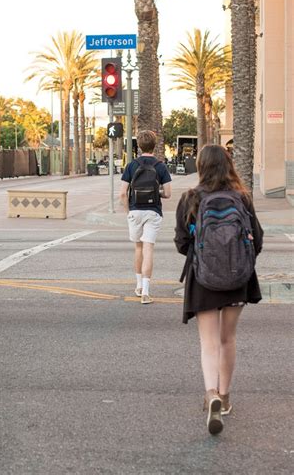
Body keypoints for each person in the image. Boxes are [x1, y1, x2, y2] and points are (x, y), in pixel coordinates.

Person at [174, 144, 263, 435]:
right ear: (228, 165)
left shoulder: (190, 198)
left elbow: (181, 243)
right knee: (228, 339)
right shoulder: (242, 198)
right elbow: (257, 240)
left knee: (209, 342)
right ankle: (224, 398)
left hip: (203, 279)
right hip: (238, 280)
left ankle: (210, 392)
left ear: (200, 167)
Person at [119, 130, 172, 304]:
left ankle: (138, 285)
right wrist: (157, 193)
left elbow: (122, 194)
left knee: (138, 248)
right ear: (154, 145)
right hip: (153, 212)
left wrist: (129, 212)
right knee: (149, 248)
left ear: (139, 146)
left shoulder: (131, 166)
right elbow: (168, 194)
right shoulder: (161, 166)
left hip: (135, 210)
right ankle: (146, 292)